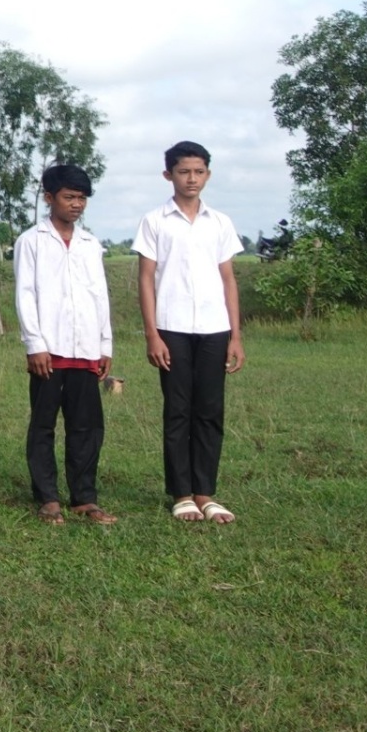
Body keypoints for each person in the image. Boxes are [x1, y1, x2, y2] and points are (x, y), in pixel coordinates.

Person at [133, 140, 245, 525]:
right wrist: (152, 334)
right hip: (172, 329)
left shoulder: (220, 222)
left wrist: (236, 335)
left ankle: (206, 493)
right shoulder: (155, 221)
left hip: (214, 329)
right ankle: (182, 494)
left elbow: (227, 279)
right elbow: (146, 279)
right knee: (178, 411)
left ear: (208, 175)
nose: (191, 178)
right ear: (169, 175)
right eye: (184, 171)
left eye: (198, 172)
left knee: (210, 412)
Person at [14, 163, 116, 525]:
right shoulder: (32, 241)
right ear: (49, 198)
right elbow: (25, 294)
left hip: (86, 347)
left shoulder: (90, 245)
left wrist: (105, 344)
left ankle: (84, 497)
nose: (76, 205)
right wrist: (35, 344)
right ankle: (47, 497)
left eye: (82, 198)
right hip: (50, 349)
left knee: (87, 427)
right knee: (43, 425)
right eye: (69, 197)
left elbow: (99, 296)